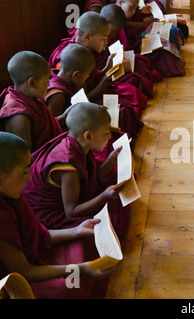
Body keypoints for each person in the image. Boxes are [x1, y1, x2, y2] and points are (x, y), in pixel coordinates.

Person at [0, 132, 113, 299]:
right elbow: (24, 271)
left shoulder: (10, 194)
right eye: (24, 172)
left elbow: (38, 234)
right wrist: (80, 268)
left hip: (33, 257)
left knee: (86, 238)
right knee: (69, 286)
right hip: (14, 280)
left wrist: (76, 231)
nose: (29, 177)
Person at [22, 102, 130, 240]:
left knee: (116, 181)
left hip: (67, 197)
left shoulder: (73, 142)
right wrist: (104, 196)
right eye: (106, 133)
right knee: (109, 222)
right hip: (46, 213)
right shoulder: (68, 168)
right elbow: (71, 212)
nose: (109, 137)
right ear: (88, 136)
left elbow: (88, 176)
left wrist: (108, 163)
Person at [48, 11, 143, 140]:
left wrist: (106, 69)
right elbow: (60, 124)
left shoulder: (83, 52)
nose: (107, 42)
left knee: (126, 103)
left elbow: (88, 80)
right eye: (104, 39)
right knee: (121, 112)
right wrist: (104, 82)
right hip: (78, 123)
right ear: (88, 37)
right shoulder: (66, 61)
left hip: (84, 105)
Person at [0, 52, 65, 153]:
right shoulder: (19, 116)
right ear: (32, 82)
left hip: (51, 151)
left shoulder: (32, 97)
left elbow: (41, 128)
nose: (49, 85)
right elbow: (26, 159)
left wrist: (64, 117)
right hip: (40, 163)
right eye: (46, 81)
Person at [46, 44, 96, 118]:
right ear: (76, 75)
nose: (88, 77)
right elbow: (54, 124)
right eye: (88, 75)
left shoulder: (70, 80)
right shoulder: (57, 96)